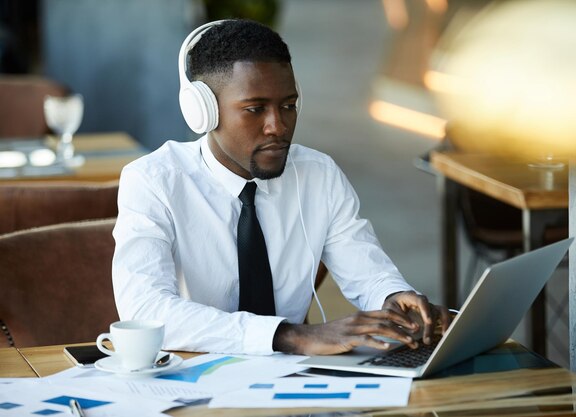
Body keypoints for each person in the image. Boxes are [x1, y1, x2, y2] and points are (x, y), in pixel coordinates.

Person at [112, 19, 451, 356]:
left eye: (288, 106)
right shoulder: (153, 180)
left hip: (293, 385)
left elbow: (369, 274)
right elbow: (145, 310)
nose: (278, 126)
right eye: (255, 109)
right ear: (204, 112)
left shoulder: (319, 175)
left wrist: (393, 298)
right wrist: (289, 336)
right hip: (195, 383)